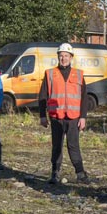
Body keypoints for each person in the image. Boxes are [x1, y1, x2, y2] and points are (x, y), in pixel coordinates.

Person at [39, 43, 90, 184]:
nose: (63, 58)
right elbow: (43, 95)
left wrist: (83, 117)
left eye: (66, 56)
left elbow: (84, 97)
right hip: (56, 116)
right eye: (61, 56)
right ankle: (55, 173)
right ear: (58, 57)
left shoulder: (79, 74)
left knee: (73, 146)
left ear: (71, 57)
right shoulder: (49, 73)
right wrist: (42, 116)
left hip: (74, 117)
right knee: (57, 146)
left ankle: (80, 173)